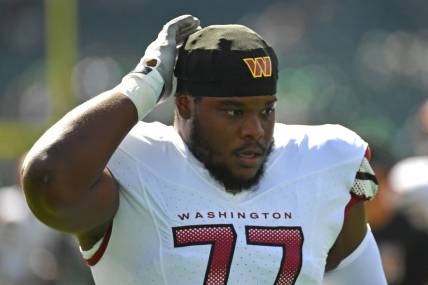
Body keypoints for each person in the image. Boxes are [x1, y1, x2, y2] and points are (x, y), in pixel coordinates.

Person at [20, 15, 386, 284]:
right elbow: (50, 179)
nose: (254, 130)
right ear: (183, 106)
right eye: (232, 111)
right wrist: (142, 84)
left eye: (266, 110)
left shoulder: (324, 162)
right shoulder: (134, 161)